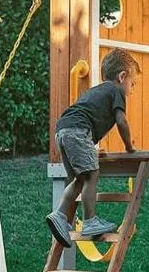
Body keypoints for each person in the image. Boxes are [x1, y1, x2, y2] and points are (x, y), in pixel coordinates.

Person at [45, 48, 139, 247]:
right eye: (133, 84)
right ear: (122, 77)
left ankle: (60, 215)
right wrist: (130, 147)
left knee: (80, 179)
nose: (132, 90)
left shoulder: (97, 91)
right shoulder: (116, 90)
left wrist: (90, 146)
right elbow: (121, 121)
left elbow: (89, 116)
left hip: (63, 130)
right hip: (78, 131)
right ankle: (90, 221)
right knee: (91, 175)